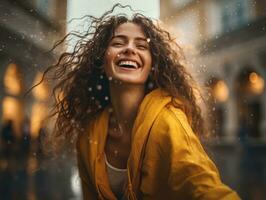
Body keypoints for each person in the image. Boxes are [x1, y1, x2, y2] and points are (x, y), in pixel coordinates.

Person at [43, 4, 240, 200]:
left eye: (141, 45)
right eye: (118, 43)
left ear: (152, 65)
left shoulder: (168, 121)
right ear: (101, 60)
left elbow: (205, 187)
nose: (129, 48)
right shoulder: (89, 134)